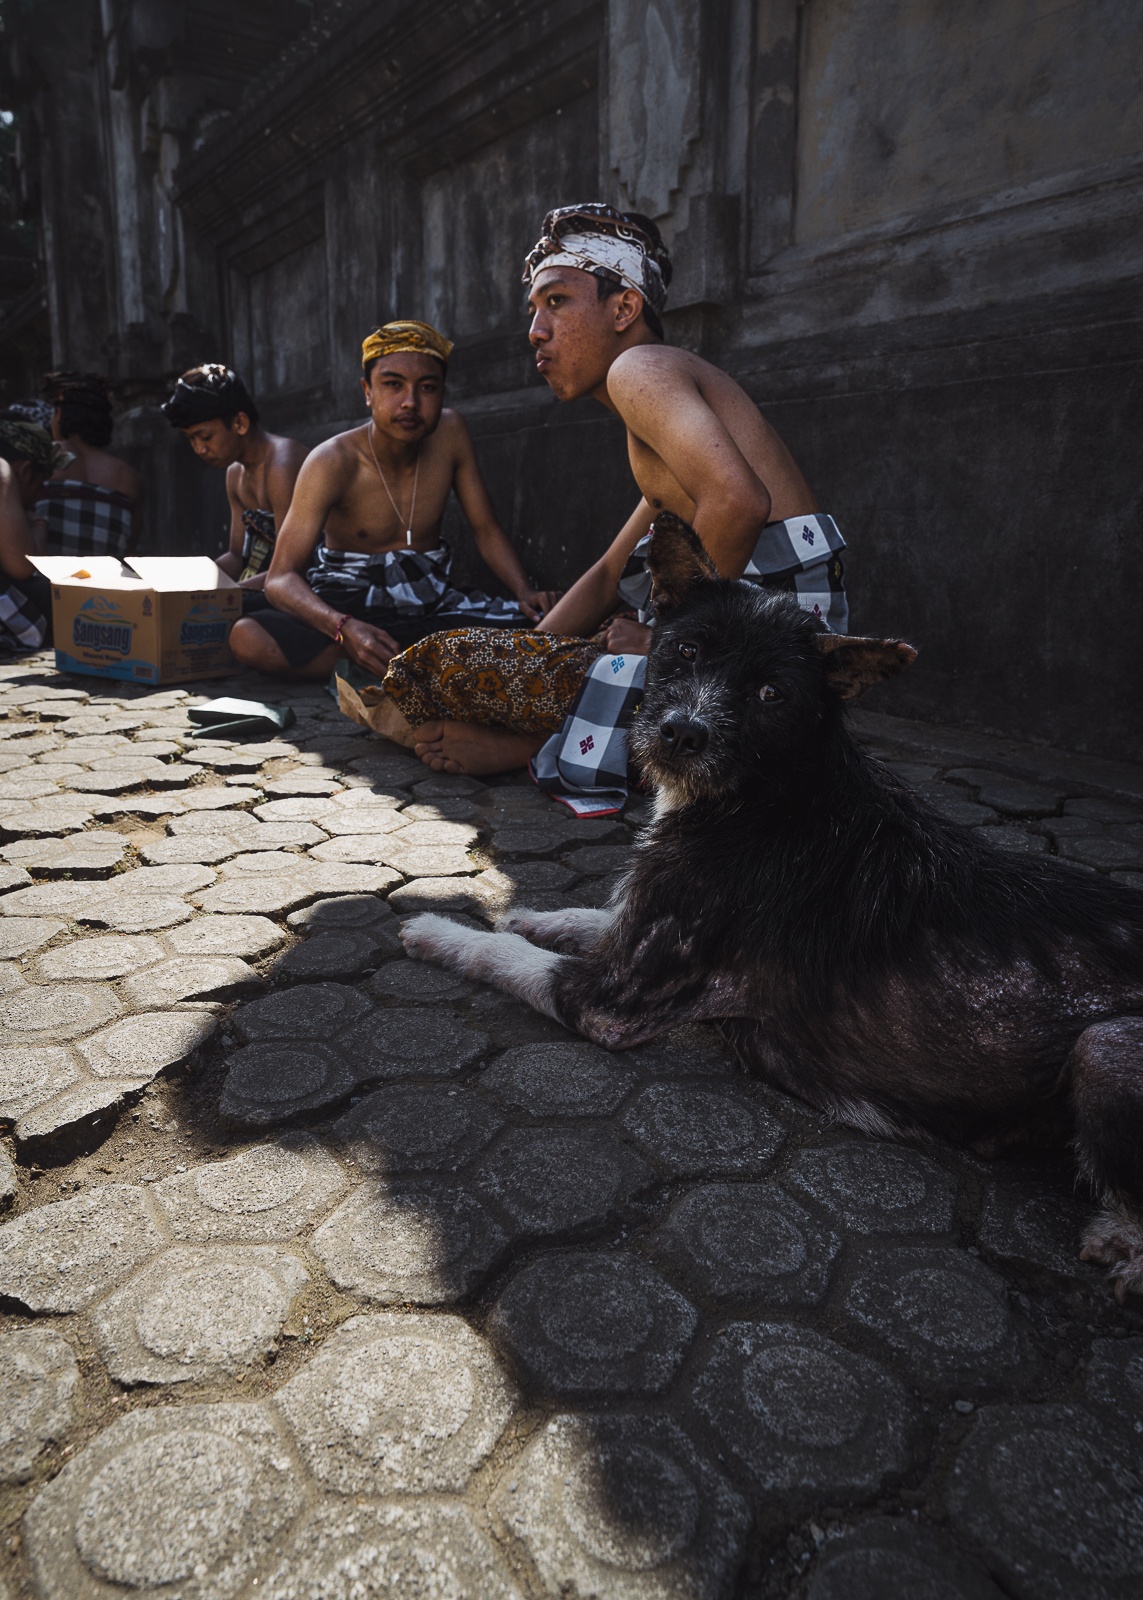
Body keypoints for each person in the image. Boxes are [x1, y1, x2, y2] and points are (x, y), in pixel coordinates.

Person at [377, 202, 847, 791]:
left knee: (459, 661)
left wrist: (664, 642)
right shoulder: (654, 407)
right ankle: (545, 730)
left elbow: (739, 502)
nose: (535, 331)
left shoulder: (640, 370)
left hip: (774, 642)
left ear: (624, 307)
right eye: (533, 310)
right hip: (750, 636)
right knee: (501, 658)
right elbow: (606, 574)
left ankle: (526, 748)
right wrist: (521, 660)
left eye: (556, 302)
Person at [230, 319, 560, 681]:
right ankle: (396, 661)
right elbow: (280, 579)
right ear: (367, 391)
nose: (410, 402)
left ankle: (401, 663)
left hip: (429, 601)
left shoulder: (450, 434)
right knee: (247, 637)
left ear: (443, 393)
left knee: (552, 624)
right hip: (347, 602)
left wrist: (524, 590)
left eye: (428, 388)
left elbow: (485, 528)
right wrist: (345, 628)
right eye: (392, 385)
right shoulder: (331, 460)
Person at [161, 364, 307, 602]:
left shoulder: (282, 465)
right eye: (191, 439)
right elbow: (236, 554)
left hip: (296, 589)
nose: (199, 449)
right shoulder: (235, 473)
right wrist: (183, 585)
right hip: (259, 585)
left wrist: (224, 597)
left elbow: (292, 567)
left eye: (206, 436)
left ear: (240, 423)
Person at [36, 371, 143, 560]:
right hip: (104, 586)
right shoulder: (128, 476)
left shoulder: (40, 459)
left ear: (59, 414)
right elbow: (130, 546)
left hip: (44, 583)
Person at [0, 415, 57, 654]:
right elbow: (21, 566)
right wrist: (38, 528)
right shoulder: (3, 470)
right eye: (39, 485)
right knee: (56, 597)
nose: (38, 496)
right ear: (25, 471)